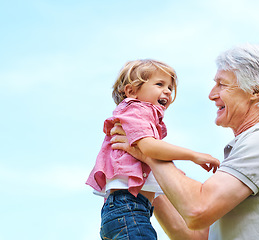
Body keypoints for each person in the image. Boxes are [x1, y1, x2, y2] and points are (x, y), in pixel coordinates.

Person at [110, 44, 259, 239]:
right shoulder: (252, 144)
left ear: (255, 91)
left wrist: (148, 149)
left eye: (222, 84)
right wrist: (140, 165)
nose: (212, 94)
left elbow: (197, 210)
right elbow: (194, 234)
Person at [86, 59, 220, 240]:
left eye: (170, 88)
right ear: (131, 91)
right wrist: (193, 155)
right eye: (159, 84)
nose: (167, 91)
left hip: (124, 212)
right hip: (129, 211)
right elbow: (150, 148)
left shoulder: (138, 117)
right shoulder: (137, 110)